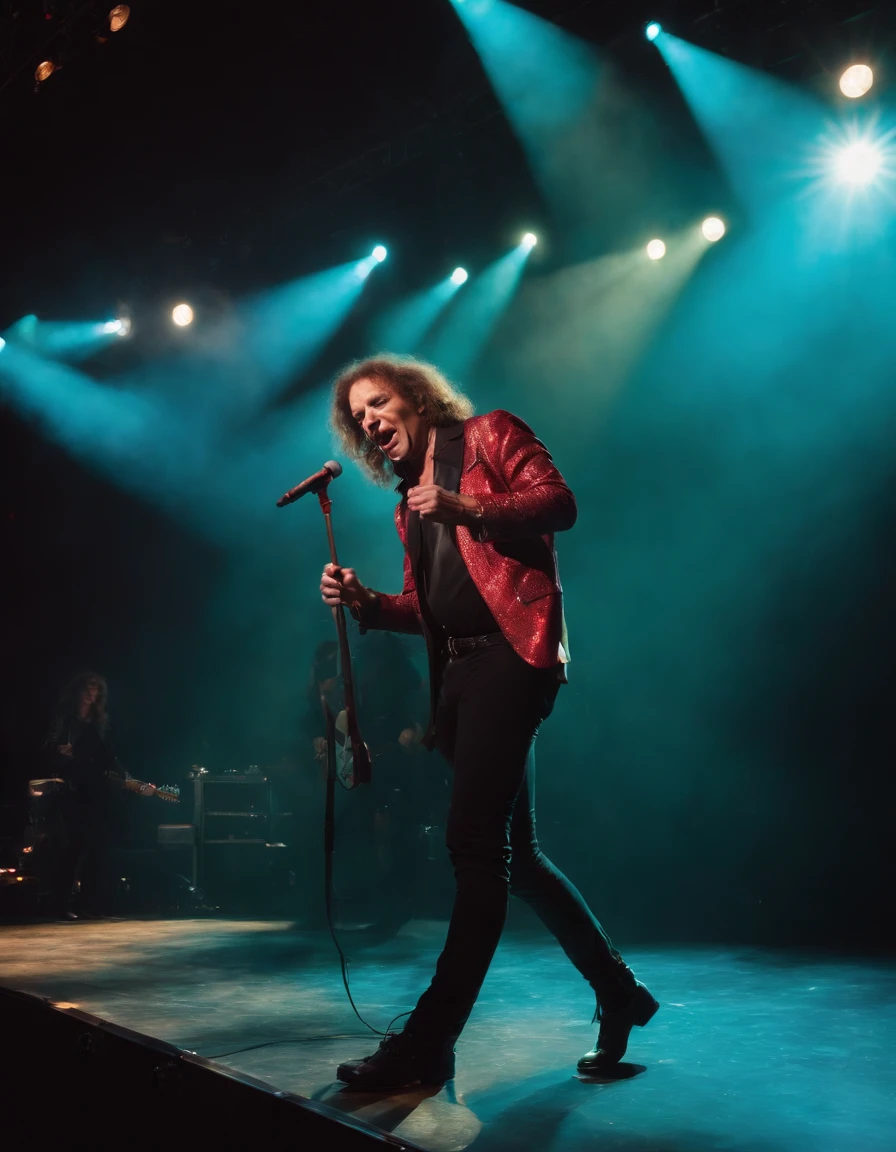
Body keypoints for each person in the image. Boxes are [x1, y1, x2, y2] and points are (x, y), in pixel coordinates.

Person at [319, 355, 658, 1089]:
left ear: (415, 398)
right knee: (519, 856)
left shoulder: (488, 436)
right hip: (461, 680)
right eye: (358, 417)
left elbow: (559, 502)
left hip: (515, 656)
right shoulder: (409, 502)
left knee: (474, 848)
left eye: (378, 403)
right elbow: (428, 606)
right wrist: (368, 603)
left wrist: (469, 508)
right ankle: (619, 993)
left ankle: (428, 1043)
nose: (370, 421)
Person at [40, 671, 125, 918]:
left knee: (98, 847)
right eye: (88, 688)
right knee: (73, 847)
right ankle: (60, 904)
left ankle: (91, 904)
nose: (91, 693)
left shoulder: (100, 721)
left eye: (96, 689)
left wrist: (128, 779)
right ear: (77, 690)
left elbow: (109, 755)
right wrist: (60, 749)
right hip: (72, 789)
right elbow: (47, 746)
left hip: (96, 790)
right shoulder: (64, 718)